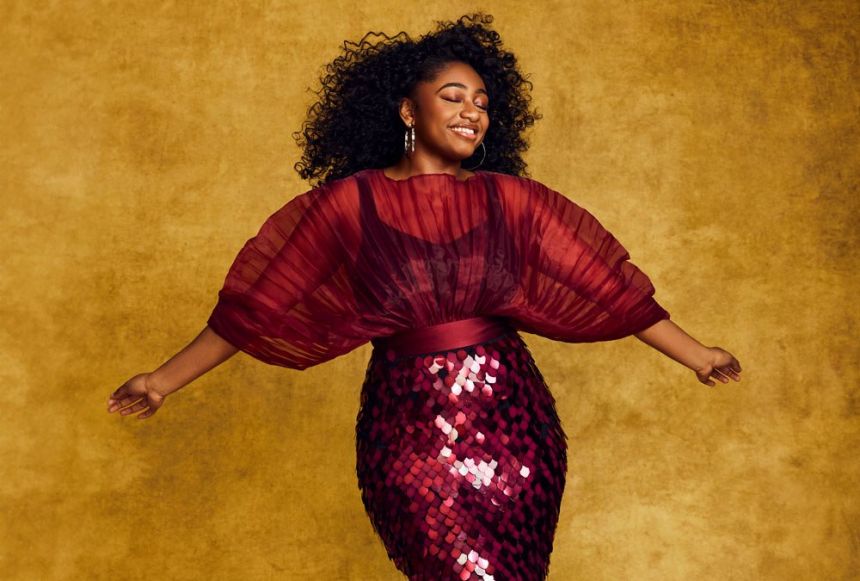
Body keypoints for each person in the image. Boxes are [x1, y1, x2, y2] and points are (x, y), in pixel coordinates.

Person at [106, 13, 742, 581]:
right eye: (453, 96)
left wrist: (697, 355)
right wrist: (161, 381)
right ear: (409, 111)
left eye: (484, 102)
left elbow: (608, 287)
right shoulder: (345, 207)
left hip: (517, 429)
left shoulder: (512, 200)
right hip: (406, 437)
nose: (472, 112)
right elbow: (256, 311)